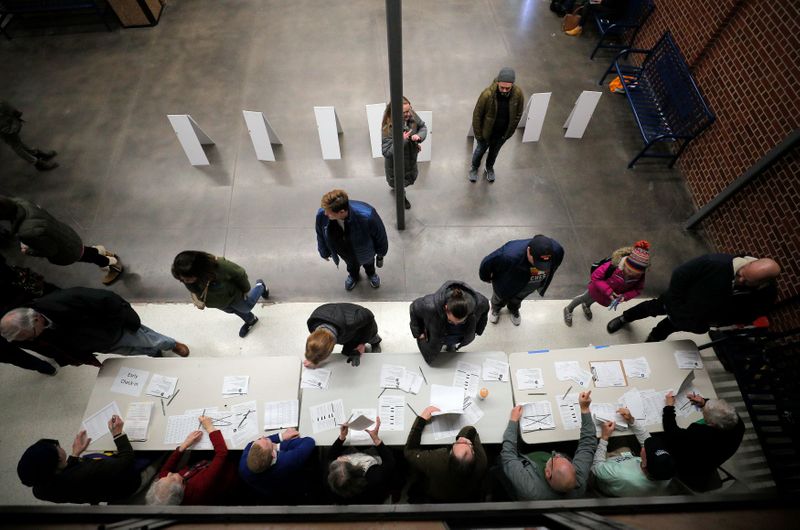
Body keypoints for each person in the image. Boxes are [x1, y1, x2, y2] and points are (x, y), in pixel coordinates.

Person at [0, 287, 189, 368]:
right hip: (98, 344)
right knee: (132, 351)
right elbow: (58, 349)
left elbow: (108, 299)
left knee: (150, 339)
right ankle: (154, 353)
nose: (32, 339)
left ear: (35, 320)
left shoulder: (61, 300)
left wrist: (129, 321)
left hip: (115, 329)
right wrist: (85, 358)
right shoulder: (26, 335)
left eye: (31, 335)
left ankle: (171, 344)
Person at [607, 254, 780, 342]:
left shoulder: (766, 295)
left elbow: (747, 316)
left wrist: (714, 323)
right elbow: (680, 274)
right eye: (741, 274)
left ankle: (653, 340)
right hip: (676, 302)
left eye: (747, 281)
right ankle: (625, 317)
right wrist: (675, 303)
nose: (740, 280)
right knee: (650, 308)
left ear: (762, 283)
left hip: (695, 320)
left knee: (668, 328)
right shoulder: (715, 262)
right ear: (749, 263)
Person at [17, 414, 141, 503]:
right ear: (59, 459)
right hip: (129, 483)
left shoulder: (40, 490)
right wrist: (118, 434)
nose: (58, 446)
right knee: (147, 452)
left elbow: (64, 477)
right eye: (56, 447)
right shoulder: (88, 471)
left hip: (96, 491)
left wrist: (75, 455)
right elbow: (127, 461)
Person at [0, 195, 123, 285]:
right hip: (63, 232)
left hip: (65, 250)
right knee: (83, 251)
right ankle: (98, 251)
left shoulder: (27, 233)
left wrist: (28, 251)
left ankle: (110, 263)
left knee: (86, 256)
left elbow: (50, 251)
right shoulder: (22, 202)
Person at [499, 391, 597, 499]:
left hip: (521, 465)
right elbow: (588, 445)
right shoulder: (577, 481)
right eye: (567, 460)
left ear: (547, 473)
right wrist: (584, 409)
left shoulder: (529, 487)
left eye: (555, 458)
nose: (558, 454)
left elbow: (508, 456)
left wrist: (513, 420)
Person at [171, 250, 269, 338]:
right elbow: (192, 288)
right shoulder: (183, 274)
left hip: (233, 297)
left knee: (246, 307)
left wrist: (245, 290)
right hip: (217, 302)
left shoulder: (220, 266)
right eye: (182, 280)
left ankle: (260, 286)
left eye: (187, 279)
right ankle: (251, 320)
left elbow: (240, 274)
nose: (185, 281)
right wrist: (197, 298)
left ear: (199, 271)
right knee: (233, 311)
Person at [146, 415, 240, 505]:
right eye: (173, 478)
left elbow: (165, 471)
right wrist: (209, 427)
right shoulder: (200, 487)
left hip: (197, 467)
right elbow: (222, 454)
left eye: (163, 478)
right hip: (224, 469)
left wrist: (184, 445)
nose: (169, 474)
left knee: (199, 446)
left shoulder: (167, 484)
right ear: (182, 487)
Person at [662, 391, 745, 491]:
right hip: (710, 463)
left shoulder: (699, 435)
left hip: (690, 469)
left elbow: (672, 431)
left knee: (659, 440)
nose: (703, 411)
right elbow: (723, 411)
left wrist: (669, 407)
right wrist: (704, 402)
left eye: (704, 412)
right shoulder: (738, 425)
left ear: (712, 424)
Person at [404, 405, 487, 503]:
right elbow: (470, 429)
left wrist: (421, 420)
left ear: (450, 453)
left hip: (437, 495)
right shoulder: (482, 462)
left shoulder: (436, 461)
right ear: (473, 451)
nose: (462, 439)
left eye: (457, 443)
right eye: (467, 444)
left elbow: (410, 451)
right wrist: (467, 441)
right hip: (464, 495)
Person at [479, 234, 564, 326]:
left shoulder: (557, 250)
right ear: (528, 251)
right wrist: (486, 278)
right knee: (499, 298)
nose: (540, 268)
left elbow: (555, 266)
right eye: (536, 263)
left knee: (518, 299)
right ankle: (495, 309)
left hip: (530, 286)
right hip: (507, 285)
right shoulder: (509, 254)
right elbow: (486, 264)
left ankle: (513, 309)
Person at [591, 407, 675, 497]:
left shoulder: (620, 474)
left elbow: (596, 466)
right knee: (620, 434)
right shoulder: (666, 473)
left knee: (590, 441)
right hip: (625, 460)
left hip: (603, 469)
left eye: (645, 450)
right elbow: (647, 441)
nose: (643, 448)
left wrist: (604, 437)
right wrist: (632, 421)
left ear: (644, 463)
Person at [315, 189, 388, 291]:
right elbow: (320, 234)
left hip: (365, 251)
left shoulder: (367, 216)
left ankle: (371, 273)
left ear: (341, 212)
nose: (325, 214)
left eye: (329, 212)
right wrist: (324, 252)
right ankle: (353, 275)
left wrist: (381, 253)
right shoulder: (322, 214)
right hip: (343, 250)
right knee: (351, 265)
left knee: (369, 263)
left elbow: (381, 236)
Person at [564, 240, 650, 326]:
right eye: (629, 270)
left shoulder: (640, 276)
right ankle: (569, 309)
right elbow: (595, 277)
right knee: (582, 298)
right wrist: (609, 291)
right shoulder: (613, 265)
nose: (631, 274)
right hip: (596, 289)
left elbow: (638, 290)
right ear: (625, 263)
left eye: (635, 273)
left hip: (607, 297)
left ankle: (586, 305)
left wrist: (625, 296)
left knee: (594, 300)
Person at [0, 254, 60, 375]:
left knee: (29, 341)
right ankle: (54, 358)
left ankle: (49, 364)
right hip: (16, 294)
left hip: (15, 297)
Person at [409, 280, 490, 365]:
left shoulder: (480, 303)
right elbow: (413, 308)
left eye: (461, 322)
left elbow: (485, 311)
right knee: (436, 346)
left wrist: (479, 329)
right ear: (446, 308)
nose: (455, 324)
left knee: (451, 346)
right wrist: (418, 333)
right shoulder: (428, 305)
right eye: (451, 321)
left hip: (457, 336)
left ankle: (451, 346)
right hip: (436, 334)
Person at [469, 67, 524, 183]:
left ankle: (489, 168)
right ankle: (474, 168)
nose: (504, 90)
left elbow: (518, 113)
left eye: (507, 88)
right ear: (498, 82)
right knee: (479, 152)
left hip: (502, 135)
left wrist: (510, 131)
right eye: (502, 87)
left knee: (494, 153)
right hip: (486, 134)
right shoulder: (487, 95)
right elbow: (477, 115)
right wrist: (479, 135)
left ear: (512, 85)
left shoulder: (518, 94)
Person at [327, 417, 395, 504]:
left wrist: (342, 437)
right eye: (343, 461)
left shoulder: (334, 483)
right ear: (355, 467)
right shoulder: (373, 477)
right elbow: (389, 461)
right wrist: (376, 439)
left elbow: (329, 457)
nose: (339, 458)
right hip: (373, 493)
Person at [239, 428, 317, 503]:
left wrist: (281, 437)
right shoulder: (287, 461)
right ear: (273, 454)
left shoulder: (243, 466)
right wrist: (278, 446)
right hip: (294, 491)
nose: (262, 437)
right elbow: (309, 441)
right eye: (266, 441)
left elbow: (251, 444)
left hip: (266, 492)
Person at [381, 96, 427, 209]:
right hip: (397, 166)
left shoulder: (410, 114)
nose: (409, 114)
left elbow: (422, 126)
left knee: (405, 180)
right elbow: (387, 152)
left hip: (409, 159)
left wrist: (418, 137)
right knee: (399, 185)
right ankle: (402, 198)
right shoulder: (389, 128)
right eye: (405, 112)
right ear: (396, 113)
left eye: (409, 109)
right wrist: (401, 141)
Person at [304, 302, 382, 369]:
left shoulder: (355, 319)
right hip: (344, 331)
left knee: (371, 337)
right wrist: (312, 358)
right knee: (347, 352)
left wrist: (362, 343)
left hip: (362, 324)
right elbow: (317, 346)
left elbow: (369, 316)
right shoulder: (313, 323)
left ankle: (376, 343)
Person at [0, 100, 58, 171]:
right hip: (3, 124)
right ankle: (36, 162)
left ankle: (34, 154)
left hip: (5, 120)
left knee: (17, 141)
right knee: (16, 145)